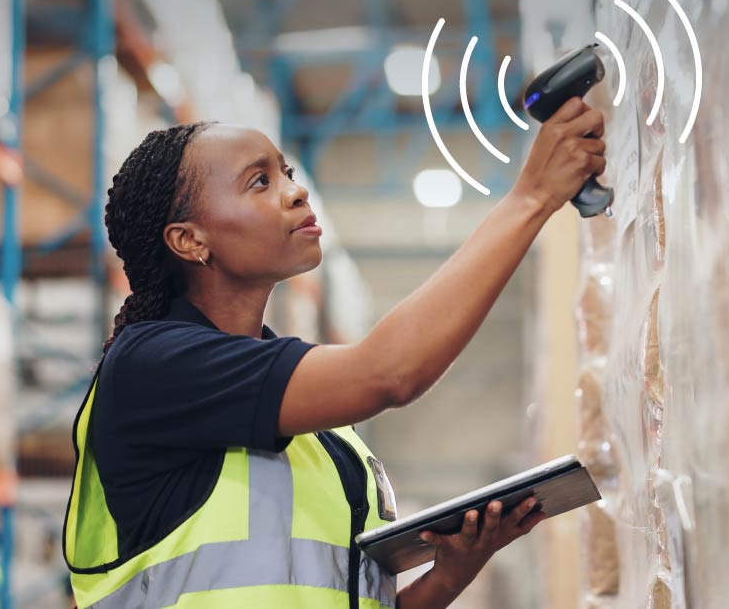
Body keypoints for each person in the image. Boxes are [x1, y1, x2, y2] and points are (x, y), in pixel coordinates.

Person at [62, 96, 607, 609]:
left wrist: (448, 575)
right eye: (259, 181)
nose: (296, 193)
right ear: (190, 240)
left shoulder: (320, 434)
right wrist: (531, 198)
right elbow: (390, 373)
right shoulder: (154, 368)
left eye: (288, 174)